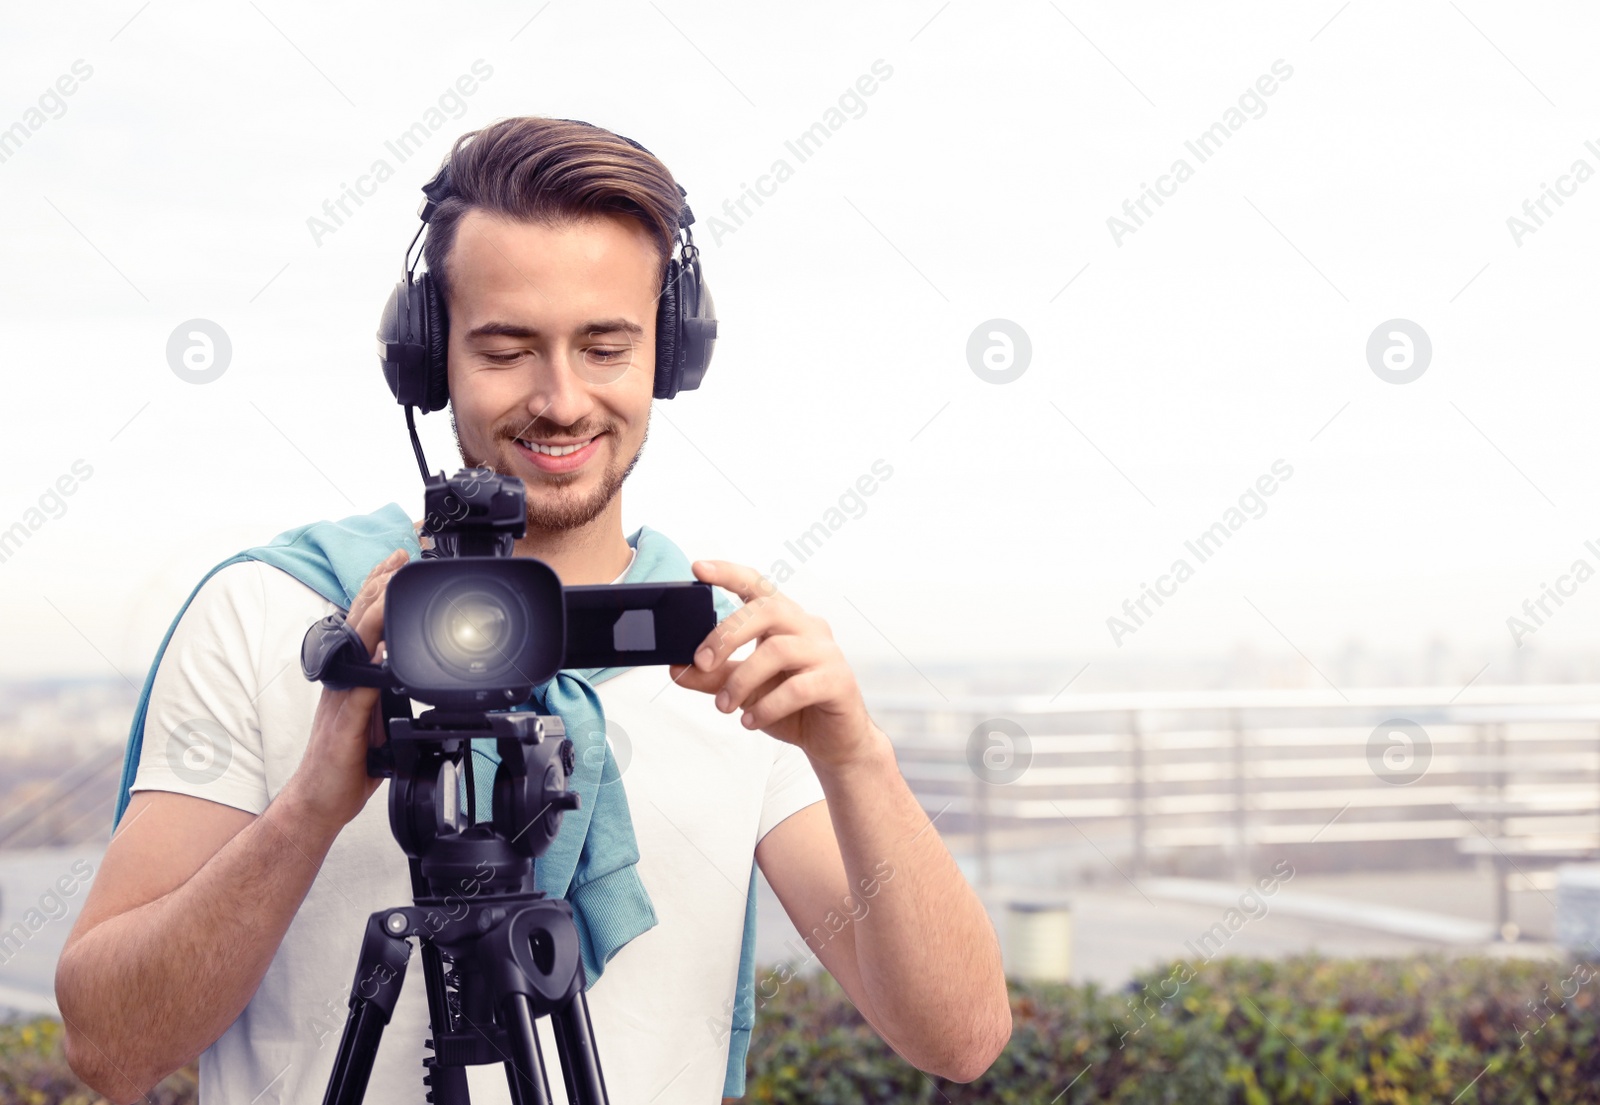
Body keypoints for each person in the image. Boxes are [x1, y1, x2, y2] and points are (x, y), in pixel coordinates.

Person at [54, 115, 1010, 1104]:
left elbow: (959, 1036)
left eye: (605, 347)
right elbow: (112, 1048)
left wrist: (854, 756)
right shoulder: (276, 611)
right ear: (427, 360)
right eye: (507, 349)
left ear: (669, 354)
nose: (560, 400)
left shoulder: (720, 644)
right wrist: (309, 807)